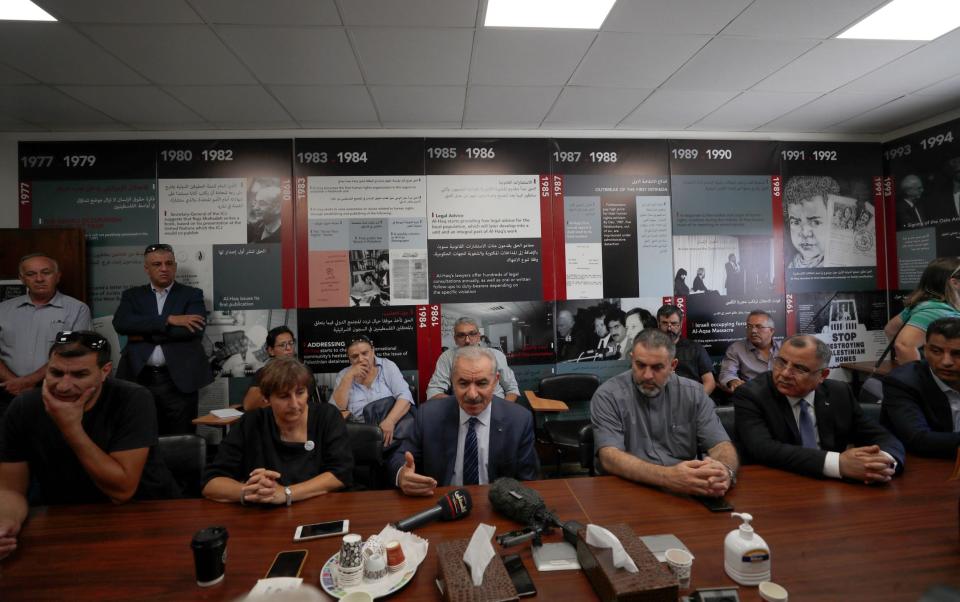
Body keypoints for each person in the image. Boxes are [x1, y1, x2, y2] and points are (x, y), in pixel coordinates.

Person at [0, 331, 176, 559]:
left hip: (143, 513)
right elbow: (11, 490)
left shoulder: (133, 399)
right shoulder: (24, 408)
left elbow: (121, 491)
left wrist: (71, 428)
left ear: (104, 371)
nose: (63, 386)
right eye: (55, 373)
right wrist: (6, 524)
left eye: (79, 375)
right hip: (66, 519)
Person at [733, 335, 905, 483]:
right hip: (778, 486)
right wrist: (838, 464)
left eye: (799, 368)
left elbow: (880, 435)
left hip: (833, 490)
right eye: (781, 362)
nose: (785, 373)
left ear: (822, 375)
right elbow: (763, 449)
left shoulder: (839, 393)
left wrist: (883, 463)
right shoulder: (751, 395)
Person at [590, 329, 738, 498]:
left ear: (673, 365)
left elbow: (721, 445)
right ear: (632, 360)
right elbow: (610, 457)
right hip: (626, 489)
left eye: (657, 367)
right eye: (640, 365)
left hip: (683, 489)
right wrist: (668, 477)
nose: (647, 375)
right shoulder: (608, 395)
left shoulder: (694, 393)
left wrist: (725, 471)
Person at [390, 346, 539, 496]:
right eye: (463, 383)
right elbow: (400, 457)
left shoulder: (519, 420)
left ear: (495, 382)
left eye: (481, 383)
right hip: (442, 504)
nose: (472, 395)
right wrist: (402, 474)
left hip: (497, 507)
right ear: (452, 381)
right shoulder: (429, 416)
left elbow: (528, 481)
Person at [202, 358, 353, 505]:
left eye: (300, 393)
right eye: (283, 396)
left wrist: (286, 493)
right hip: (263, 518)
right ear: (267, 399)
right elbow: (211, 482)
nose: (294, 404)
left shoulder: (327, 416)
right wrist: (251, 491)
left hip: (320, 511)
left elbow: (340, 474)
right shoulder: (251, 422)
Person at [113, 243, 213, 435]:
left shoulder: (192, 295)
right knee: (139, 434)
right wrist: (169, 319)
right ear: (147, 269)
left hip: (179, 380)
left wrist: (141, 332)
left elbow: (192, 331)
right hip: (139, 377)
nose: (164, 268)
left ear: (175, 266)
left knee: (181, 438)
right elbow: (121, 324)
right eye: (157, 264)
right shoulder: (132, 295)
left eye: (168, 263)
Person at [0, 253, 91, 419]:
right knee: (9, 443)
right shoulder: (3, 310)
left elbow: (71, 353)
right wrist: (14, 383)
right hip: (7, 394)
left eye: (46, 272)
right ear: (22, 278)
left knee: (53, 442)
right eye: (31, 274)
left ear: (57, 276)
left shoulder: (77, 309)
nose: (39, 279)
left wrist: (27, 382)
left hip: (58, 392)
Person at [882, 317, 960, 458]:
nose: (946, 362)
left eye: (957, 354)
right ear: (925, 350)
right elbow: (918, 439)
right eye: (936, 351)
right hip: (922, 467)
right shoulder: (902, 382)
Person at [331, 335, 414, 447]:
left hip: (392, 430)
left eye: (365, 353)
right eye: (355, 356)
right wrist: (349, 376)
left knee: (398, 460)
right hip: (361, 436)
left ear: (373, 351)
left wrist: (390, 421)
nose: (360, 359)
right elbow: (337, 410)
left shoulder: (387, 366)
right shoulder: (343, 375)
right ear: (349, 358)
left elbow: (405, 396)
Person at [883, 257, 960, 363]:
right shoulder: (935, 312)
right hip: (941, 377)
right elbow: (903, 345)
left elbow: (890, 329)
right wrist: (917, 375)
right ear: (954, 283)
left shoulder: (923, 305)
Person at [426, 317, 519, 401]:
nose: (467, 340)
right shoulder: (447, 357)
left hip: (496, 406)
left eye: (472, 334)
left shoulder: (497, 355)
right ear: (455, 339)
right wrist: (456, 406)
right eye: (461, 335)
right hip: (461, 409)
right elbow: (434, 391)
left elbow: (512, 389)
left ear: (478, 336)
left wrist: (503, 411)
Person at [657, 304, 715, 395]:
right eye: (665, 323)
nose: (669, 328)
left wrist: (696, 401)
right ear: (658, 325)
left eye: (673, 323)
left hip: (691, 399)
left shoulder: (696, 349)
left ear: (680, 325)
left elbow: (710, 383)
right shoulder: (650, 349)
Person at [719, 310, 779, 393]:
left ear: (771, 331)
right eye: (749, 326)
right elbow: (727, 373)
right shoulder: (736, 348)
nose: (753, 331)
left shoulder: (784, 348)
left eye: (759, 326)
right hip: (753, 396)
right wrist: (733, 381)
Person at [784, 175, 837, 269]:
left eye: (815, 222)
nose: (805, 233)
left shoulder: (837, 264)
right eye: (796, 222)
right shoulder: (791, 265)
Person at [241, 326, 297, 411]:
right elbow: (249, 405)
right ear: (271, 351)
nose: (288, 348)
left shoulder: (303, 371)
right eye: (282, 345)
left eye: (291, 343)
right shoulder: (263, 373)